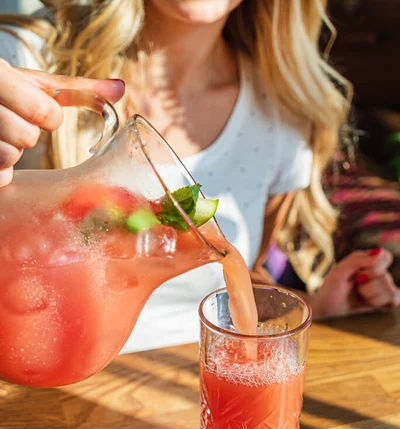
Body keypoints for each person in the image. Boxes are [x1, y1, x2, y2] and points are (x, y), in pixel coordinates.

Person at [0, 0, 398, 352]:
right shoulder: (27, 61)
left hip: (193, 391)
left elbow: (237, 281)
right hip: (42, 387)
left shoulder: (283, 112)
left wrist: (316, 311)